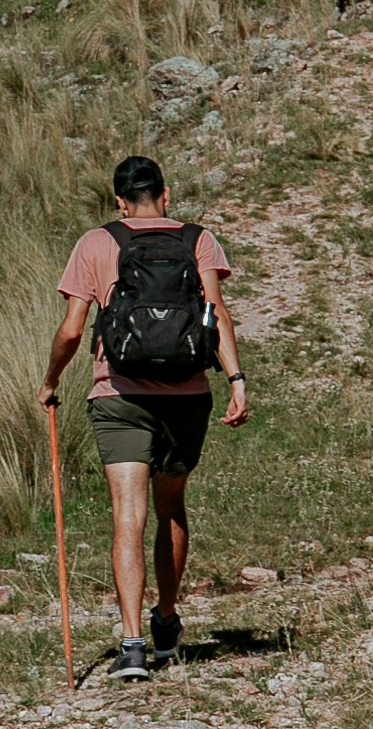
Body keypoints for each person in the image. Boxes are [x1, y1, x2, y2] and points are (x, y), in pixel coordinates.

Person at [42, 155, 247, 679]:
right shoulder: (198, 239)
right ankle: (166, 621)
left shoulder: (96, 242)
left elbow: (71, 329)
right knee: (171, 507)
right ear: (166, 194)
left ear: (118, 201)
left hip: (119, 395)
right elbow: (217, 313)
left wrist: (50, 381)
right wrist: (237, 381)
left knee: (126, 518)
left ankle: (131, 646)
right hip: (187, 394)